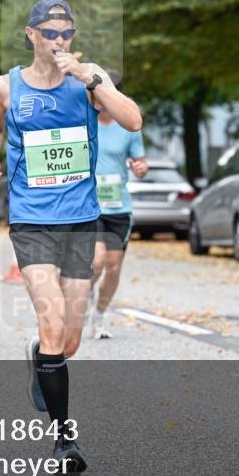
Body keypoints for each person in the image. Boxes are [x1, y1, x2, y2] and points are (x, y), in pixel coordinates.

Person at [0, 0, 142, 474]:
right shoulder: (5, 86)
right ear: (30, 34)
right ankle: (63, 443)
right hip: (31, 221)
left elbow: (133, 120)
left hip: (80, 222)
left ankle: (40, 357)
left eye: (65, 33)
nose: (57, 40)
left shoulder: (89, 78)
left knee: (66, 343)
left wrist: (91, 79)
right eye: (49, 32)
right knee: (52, 326)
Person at [88, 75, 148, 339]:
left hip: (119, 207)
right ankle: (83, 292)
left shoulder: (128, 128)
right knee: (96, 260)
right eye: (96, 94)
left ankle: (99, 316)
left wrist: (140, 167)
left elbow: (141, 163)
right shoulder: (85, 122)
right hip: (90, 206)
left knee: (113, 265)